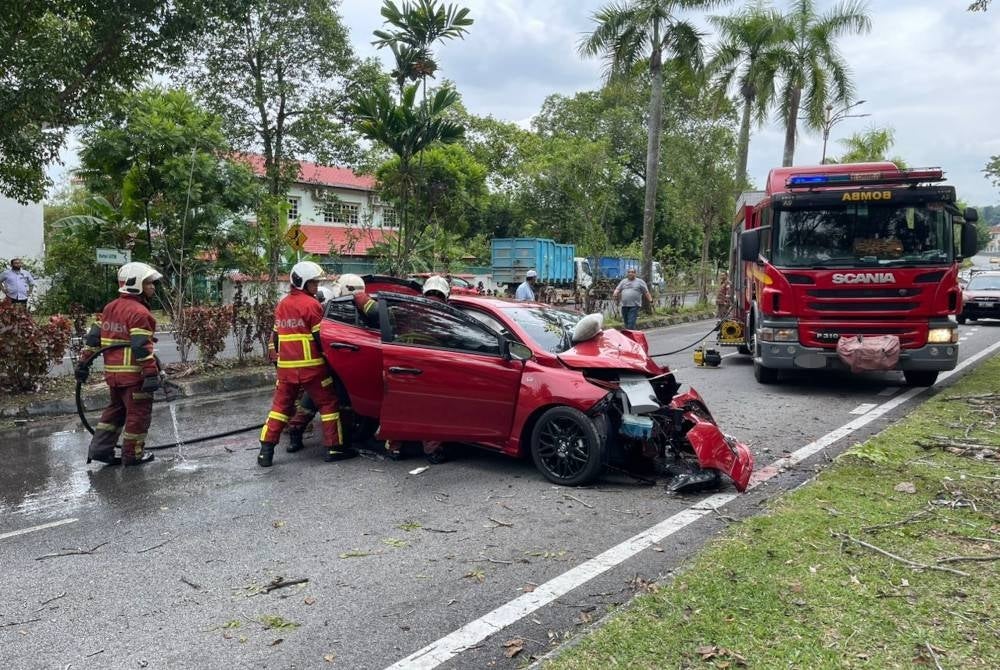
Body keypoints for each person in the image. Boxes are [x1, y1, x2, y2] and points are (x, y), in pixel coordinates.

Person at [258, 261, 356, 467]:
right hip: (312, 368)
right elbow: (320, 338)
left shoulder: (282, 305)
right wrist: (332, 360)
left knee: (279, 408)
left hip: (286, 369)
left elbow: (276, 338)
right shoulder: (312, 305)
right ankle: (334, 448)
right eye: (314, 282)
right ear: (302, 282)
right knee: (328, 404)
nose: (316, 286)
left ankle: (265, 452)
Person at [76, 262, 163, 466]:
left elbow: (94, 337)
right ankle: (133, 455)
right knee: (138, 416)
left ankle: (99, 450)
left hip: (114, 376)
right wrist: (151, 373)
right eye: (148, 283)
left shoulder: (110, 307)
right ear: (136, 284)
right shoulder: (140, 312)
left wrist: (83, 363)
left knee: (115, 412)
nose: (153, 287)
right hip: (134, 377)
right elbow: (140, 346)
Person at [383, 275, 450, 464]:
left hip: (403, 363)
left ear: (424, 291)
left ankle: (394, 448)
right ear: (445, 294)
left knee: (401, 406)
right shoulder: (447, 313)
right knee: (430, 408)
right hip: (431, 366)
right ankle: (433, 450)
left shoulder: (408, 307)